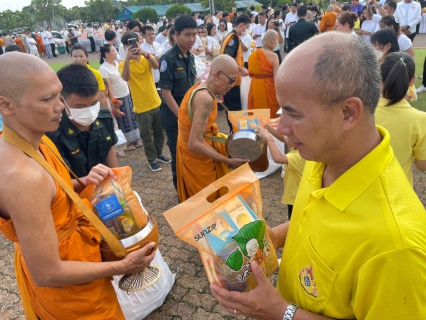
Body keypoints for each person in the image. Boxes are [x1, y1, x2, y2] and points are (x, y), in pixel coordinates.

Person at [210, 31, 426, 320]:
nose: (281, 127)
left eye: (293, 114)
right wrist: (274, 237)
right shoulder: (322, 156)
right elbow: (313, 217)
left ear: (348, 113)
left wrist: (280, 312)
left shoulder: (396, 246)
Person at [0, 52, 156, 320]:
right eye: (47, 99)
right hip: (70, 294)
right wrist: (122, 266)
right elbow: (48, 273)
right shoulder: (22, 176)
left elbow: (50, 192)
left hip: (81, 262)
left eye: (59, 95)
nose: (61, 106)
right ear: (6, 105)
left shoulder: (33, 139)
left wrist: (79, 181)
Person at [177, 55, 248, 202]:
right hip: (198, 160)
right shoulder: (205, 99)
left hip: (194, 154)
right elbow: (194, 143)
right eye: (231, 80)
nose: (233, 85)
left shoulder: (200, 86)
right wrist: (228, 161)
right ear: (217, 74)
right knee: (208, 202)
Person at [46, 64, 118, 178]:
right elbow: (58, 181)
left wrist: (117, 180)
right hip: (75, 192)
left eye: (94, 104)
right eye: (80, 107)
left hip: (104, 188)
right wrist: (87, 181)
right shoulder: (52, 132)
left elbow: (109, 148)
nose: (89, 111)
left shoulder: (104, 117)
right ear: (62, 101)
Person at [119, 32, 170, 172]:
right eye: (130, 45)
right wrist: (128, 60)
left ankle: (159, 154)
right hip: (141, 106)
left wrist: (146, 54)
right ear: (125, 47)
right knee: (146, 135)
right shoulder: (123, 64)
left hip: (155, 101)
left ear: (139, 43)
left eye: (135, 43)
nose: (134, 47)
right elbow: (125, 77)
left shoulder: (146, 58)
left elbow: (155, 66)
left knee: (159, 132)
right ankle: (152, 159)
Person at [375, 52, 426, 185]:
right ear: (412, 80)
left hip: (362, 191)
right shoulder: (420, 119)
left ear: (379, 76)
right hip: (398, 192)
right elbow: (422, 165)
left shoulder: (362, 111)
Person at [159, 14, 197, 188]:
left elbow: (192, 85)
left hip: (188, 115)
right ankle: (181, 191)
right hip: (175, 118)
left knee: (191, 153)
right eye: (187, 34)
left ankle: (190, 185)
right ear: (176, 34)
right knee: (178, 154)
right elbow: (166, 93)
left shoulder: (190, 56)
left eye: (194, 34)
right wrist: (182, 116)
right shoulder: (168, 59)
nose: (192, 39)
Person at [99, 43, 141, 152]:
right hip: (117, 98)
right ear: (106, 54)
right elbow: (109, 89)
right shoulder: (103, 69)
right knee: (122, 121)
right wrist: (114, 104)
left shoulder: (117, 64)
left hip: (126, 94)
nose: (115, 53)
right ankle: (125, 142)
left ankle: (134, 139)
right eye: (113, 51)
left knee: (131, 118)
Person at [220, 14, 251, 132]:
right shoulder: (233, 38)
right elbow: (228, 57)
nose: (246, 30)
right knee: (234, 109)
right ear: (241, 25)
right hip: (232, 80)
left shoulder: (230, 36)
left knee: (231, 108)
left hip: (229, 78)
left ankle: (233, 131)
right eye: (246, 27)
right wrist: (241, 70)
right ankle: (236, 133)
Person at [248, 30, 280, 118]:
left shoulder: (252, 55)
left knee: (257, 113)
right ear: (273, 41)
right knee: (270, 114)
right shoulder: (274, 56)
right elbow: (276, 77)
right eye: (277, 42)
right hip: (268, 87)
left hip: (254, 86)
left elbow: (250, 72)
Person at [71, 44, 109, 111]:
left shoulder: (95, 74)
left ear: (87, 57)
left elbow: (101, 97)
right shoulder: (67, 74)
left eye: (81, 56)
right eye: (75, 56)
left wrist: (107, 115)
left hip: (93, 110)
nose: (78, 59)